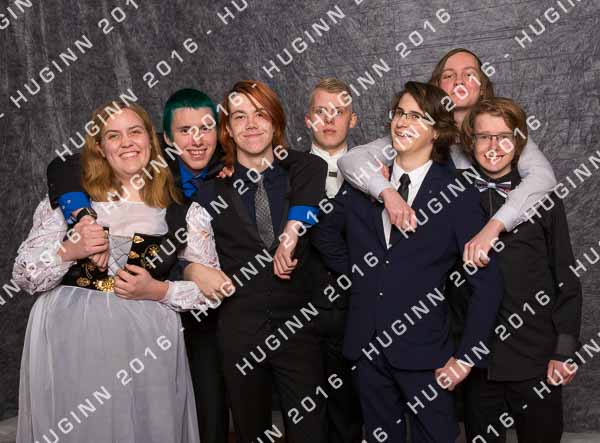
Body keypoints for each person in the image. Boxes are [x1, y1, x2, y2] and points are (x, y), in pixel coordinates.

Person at [44, 88, 326, 443]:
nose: (196, 140)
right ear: (166, 139)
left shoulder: (235, 160)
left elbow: (305, 165)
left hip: (242, 313)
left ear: (220, 131)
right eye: (184, 131)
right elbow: (65, 166)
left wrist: (292, 229)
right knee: (198, 417)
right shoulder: (152, 171)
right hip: (173, 319)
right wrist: (83, 218)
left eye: (205, 128)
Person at [14, 101, 223, 442]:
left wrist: (160, 290)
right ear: (100, 147)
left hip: (147, 345)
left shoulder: (182, 213)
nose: (127, 142)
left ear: (151, 140)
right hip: (71, 340)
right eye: (114, 135)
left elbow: (210, 294)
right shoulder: (70, 203)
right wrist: (71, 249)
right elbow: (24, 276)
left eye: (135, 132)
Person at [312, 81, 504, 443]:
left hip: (426, 353)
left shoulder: (456, 193)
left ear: (438, 131)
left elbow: (488, 284)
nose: (402, 122)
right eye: (400, 113)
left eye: (416, 116)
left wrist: (466, 358)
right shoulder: (367, 182)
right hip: (367, 349)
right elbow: (324, 235)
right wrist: (365, 273)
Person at [186, 80, 328, 443]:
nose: (251, 124)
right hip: (239, 332)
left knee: (311, 432)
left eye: (260, 114)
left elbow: (312, 176)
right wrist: (192, 269)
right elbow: (190, 253)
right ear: (228, 129)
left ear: (275, 121)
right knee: (251, 432)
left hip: (299, 330)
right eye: (239, 116)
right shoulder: (210, 190)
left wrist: (290, 235)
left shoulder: (303, 171)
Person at [337, 48, 557, 266]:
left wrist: (494, 227)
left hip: (500, 256)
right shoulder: (416, 133)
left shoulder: (503, 133)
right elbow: (351, 159)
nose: (459, 81)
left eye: (469, 74)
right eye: (449, 75)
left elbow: (543, 178)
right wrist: (386, 191)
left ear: (482, 87)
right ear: (438, 87)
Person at [454, 97, 582, 443]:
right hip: (479, 361)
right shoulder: (453, 197)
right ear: (471, 141)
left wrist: (563, 351)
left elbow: (566, 278)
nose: (493, 146)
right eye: (484, 137)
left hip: (535, 356)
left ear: (519, 141)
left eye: (503, 137)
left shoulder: (542, 198)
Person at [305, 77, 363, 443]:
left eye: (339, 112)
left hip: (356, 313)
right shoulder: (284, 170)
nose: (329, 120)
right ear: (308, 119)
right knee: (306, 419)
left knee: (351, 414)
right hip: (300, 316)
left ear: (352, 120)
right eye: (321, 111)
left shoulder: (377, 173)